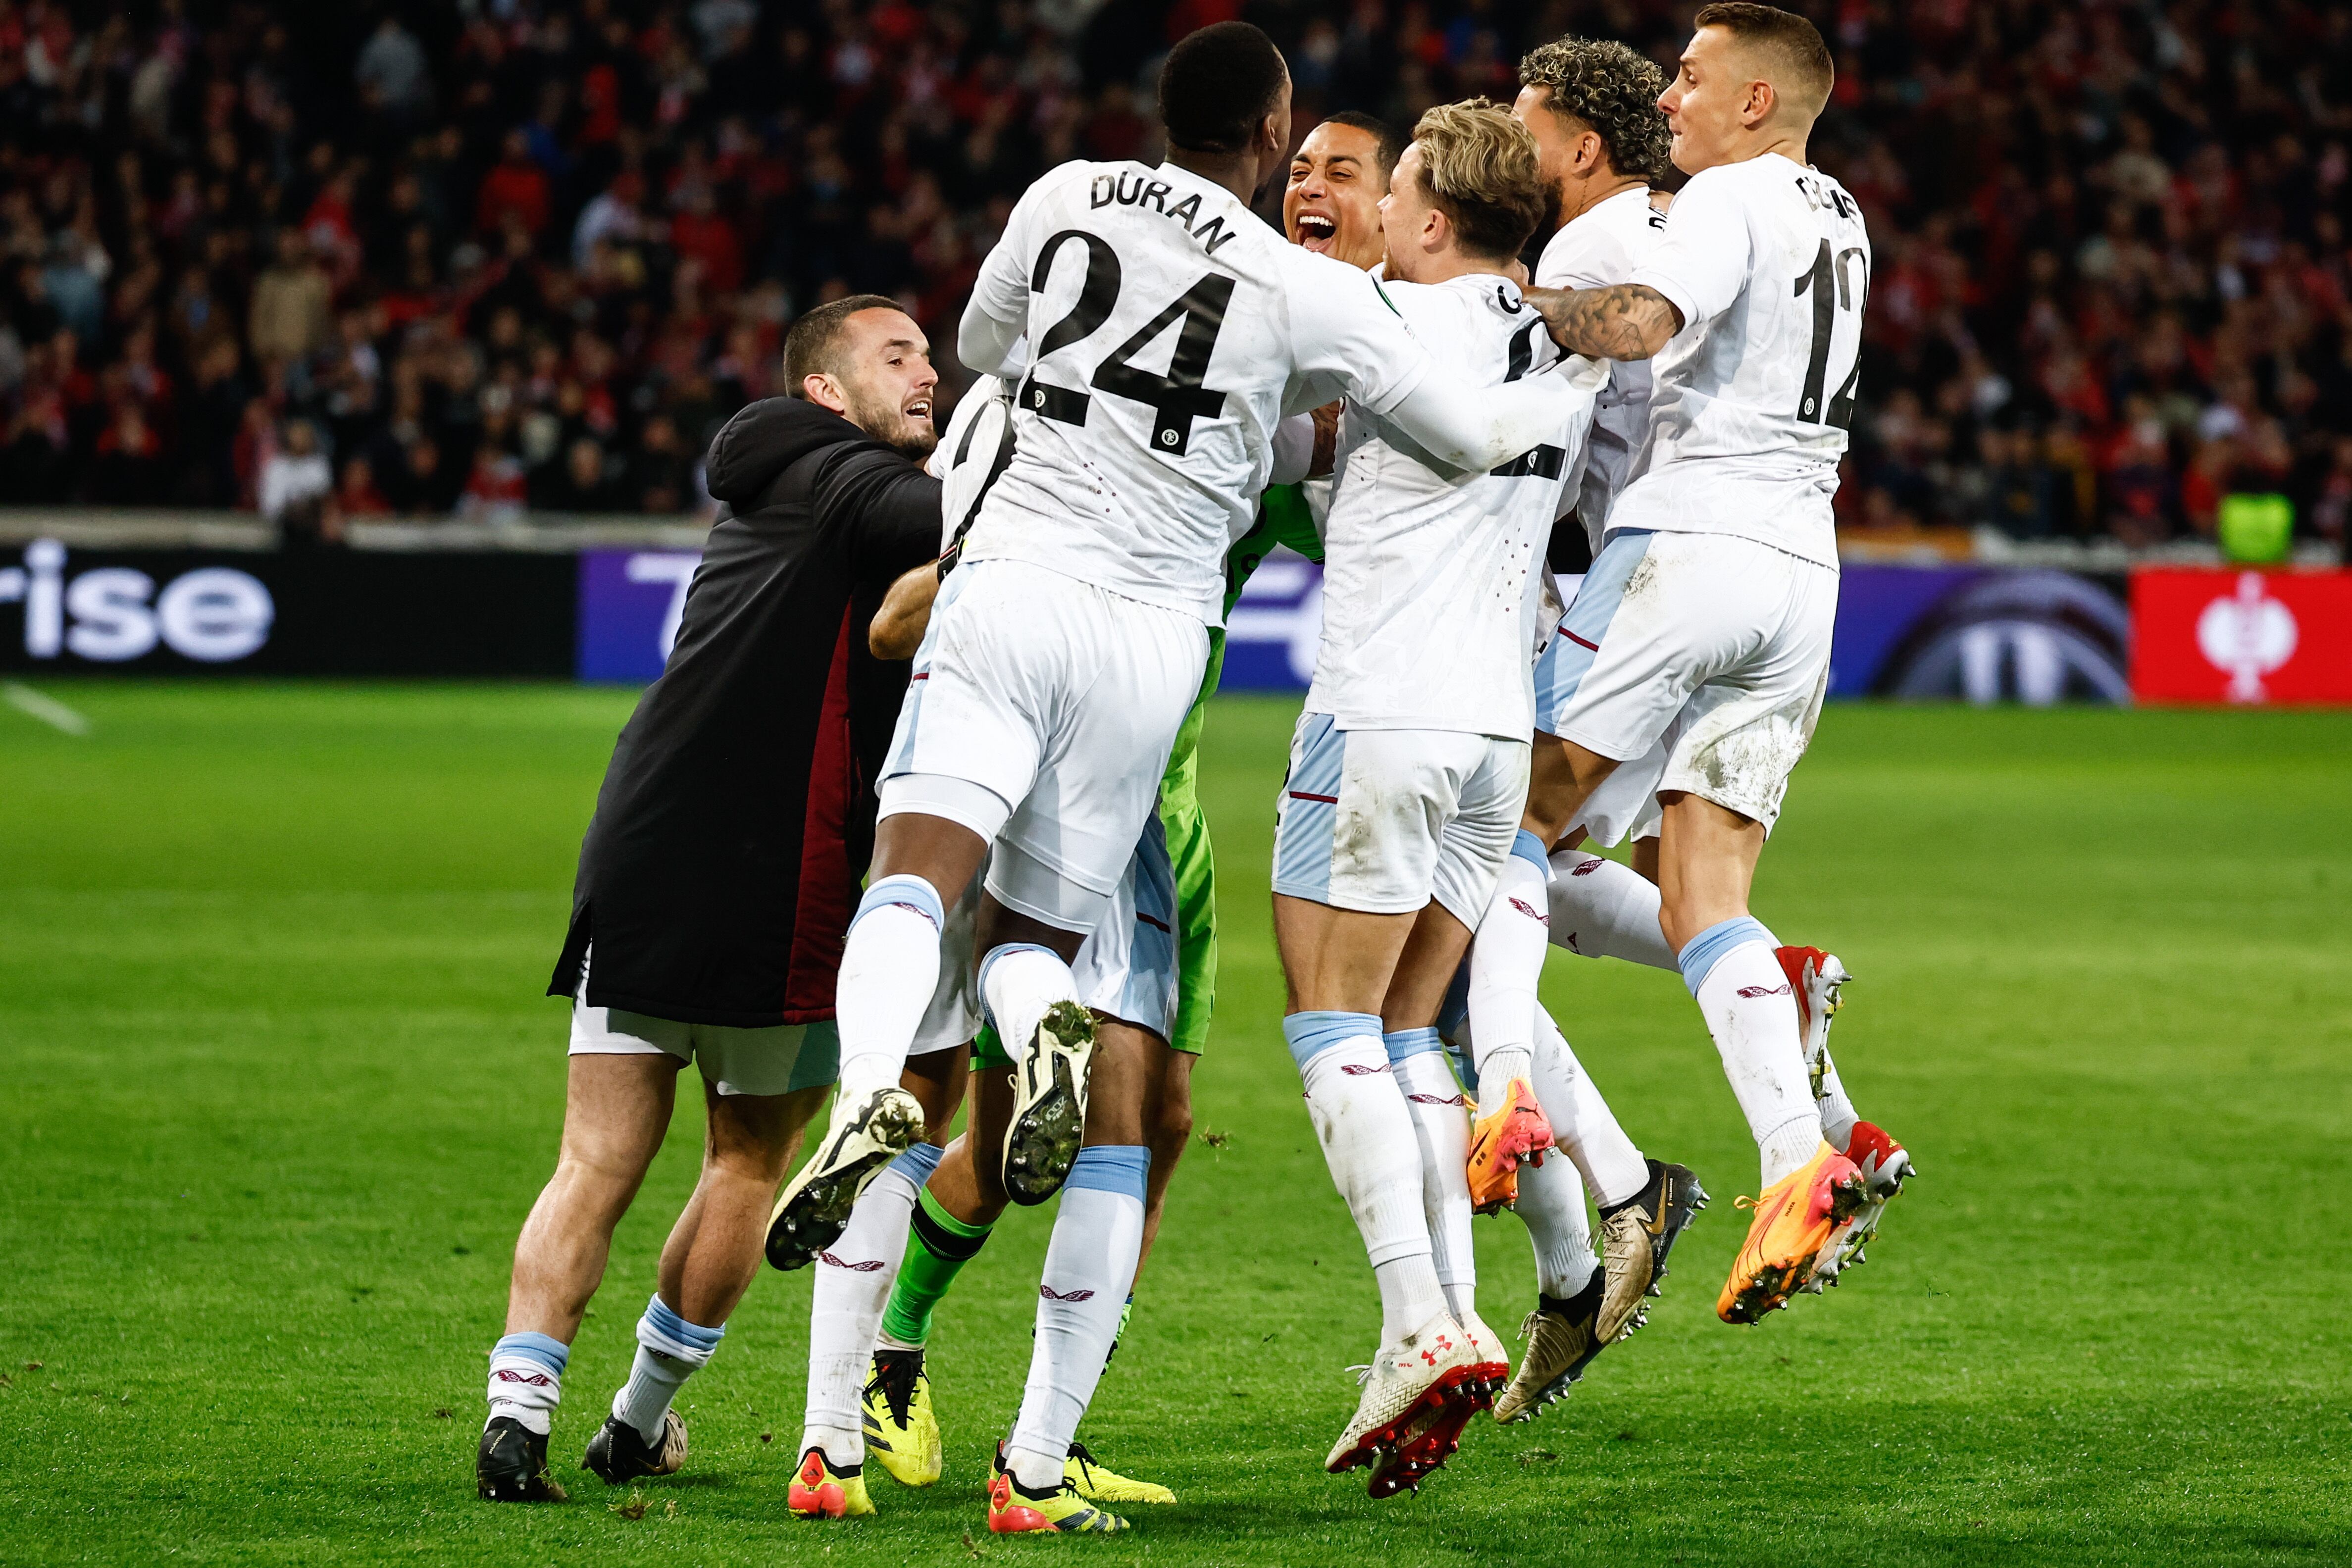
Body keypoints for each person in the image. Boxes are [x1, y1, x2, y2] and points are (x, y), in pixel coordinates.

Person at [786, 109, 1402, 1530]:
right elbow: (1370, 485)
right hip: (1128, 777)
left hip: (982, 706)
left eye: (1342, 177)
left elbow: (898, 613)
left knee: (969, 1095)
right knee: (1117, 1120)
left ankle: (841, 1426)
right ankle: (1025, 1453)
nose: (1308, 187)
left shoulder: (1038, 358)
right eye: (1295, 163)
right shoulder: (1270, 378)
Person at [473, 296, 945, 1503]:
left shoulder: (771, 474)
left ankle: (515, 1418)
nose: (929, 372)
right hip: (780, 879)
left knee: (592, 1160)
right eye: (897, 356)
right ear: (826, 391)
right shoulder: (845, 480)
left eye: (931, 357)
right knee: (744, 1165)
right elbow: (952, 517)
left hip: (640, 848)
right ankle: (635, 1421)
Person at [1519, 2, 1910, 1327]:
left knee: (1505, 825)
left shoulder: (1726, 198)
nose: (1665, 101)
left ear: (1755, 102)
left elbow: (1630, 324)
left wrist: (1503, 301)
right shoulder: (1839, 211)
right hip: (1802, 575)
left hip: (1684, 547)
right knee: (1701, 889)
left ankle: (1513, 1112)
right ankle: (1799, 1156)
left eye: (1688, 79)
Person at [1266, 98, 1604, 1498]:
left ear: (1428, 213)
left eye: (1391, 186)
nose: (1379, 210)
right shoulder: (1562, 338)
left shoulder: (1388, 326)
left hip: (1379, 711)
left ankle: (1416, 1319)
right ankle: (1450, 1320)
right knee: (1413, 1028)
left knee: (1329, 1018)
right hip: (1490, 733)